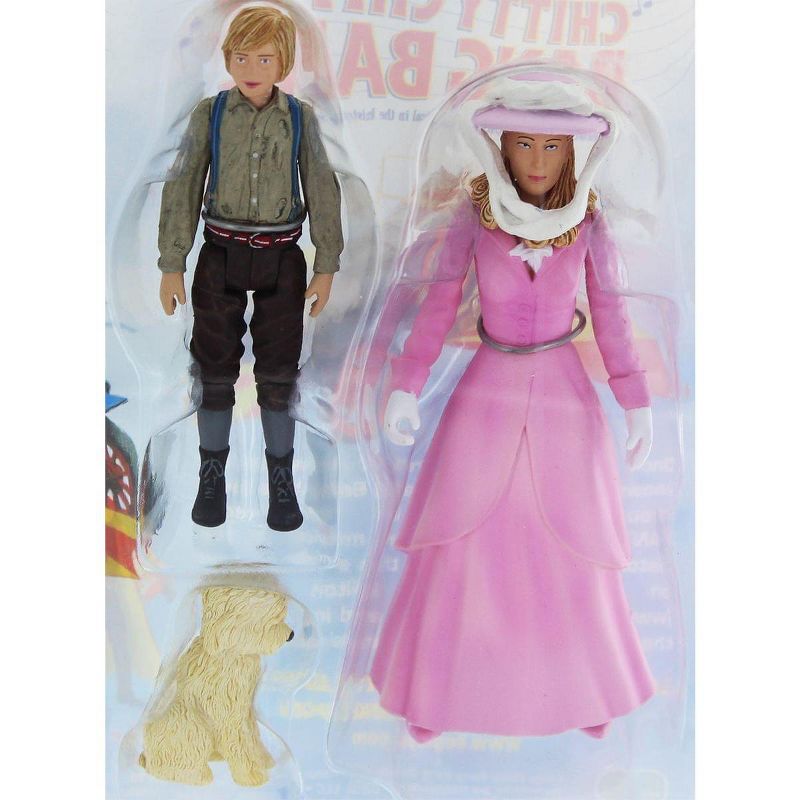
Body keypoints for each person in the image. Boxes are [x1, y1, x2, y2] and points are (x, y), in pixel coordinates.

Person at [372, 75, 656, 742]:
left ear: (573, 154)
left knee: (576, 542)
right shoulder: (475, 219)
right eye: (523, 143)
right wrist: (407, 383)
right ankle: (434, 698)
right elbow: (438, 303)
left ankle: (587, 692)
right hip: (485, 393)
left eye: (552, 146)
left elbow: (612, 317)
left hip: (565, 399)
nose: (536, 159)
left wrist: (635, 400)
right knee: (460, 538)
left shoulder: (588, 223)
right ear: (501, 147)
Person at [156, 6, 344, 531]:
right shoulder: (211, 114)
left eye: (264, 58)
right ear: (227, 59)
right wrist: (172, 262)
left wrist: (327, 263)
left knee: (279, 373)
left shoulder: (300, 117)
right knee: (214, 370)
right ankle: (211, 475)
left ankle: (281, 480)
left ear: (284, 62)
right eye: (241, 57)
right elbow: (184, 182)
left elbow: (322, 186)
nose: (251, 68)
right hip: (219, 254)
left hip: (282, 258)